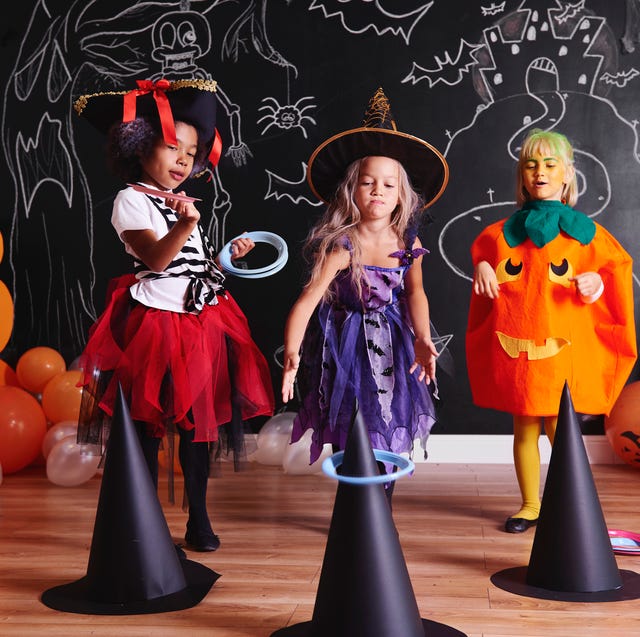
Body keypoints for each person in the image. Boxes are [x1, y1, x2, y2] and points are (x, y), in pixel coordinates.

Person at [73, 79, 275, 551]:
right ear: (139, 147)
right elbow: (158, 261)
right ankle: (142, 522)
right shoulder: (131, 200)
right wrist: (185, 225)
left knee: (197, 427)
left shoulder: (182, 203)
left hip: (202, 321)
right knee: (148, 426)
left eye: (191, 152)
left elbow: (194, 267)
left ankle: (199, 518)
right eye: (171, 147)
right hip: (155, 324)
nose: (184, 160)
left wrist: (227, 257)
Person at [281, 88, 449, 503]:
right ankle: (354, 504)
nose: (377, 191)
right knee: (350, 417)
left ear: (401, 195)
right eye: (367, 182)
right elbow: (307, 300)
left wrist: (424, 339)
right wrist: (291, 352)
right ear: (351, 191)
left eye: (388, 184)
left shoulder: (407, 242)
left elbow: (416, 293)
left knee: (388, 416)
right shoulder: (342, 246)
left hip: (392, 343)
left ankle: (382, 502)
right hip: (346, 344)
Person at [467, 128, 636, 533]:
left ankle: (567, 505)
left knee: (563, 429)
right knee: (525, 425)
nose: (539, 172)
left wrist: (595, 284)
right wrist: (484, 266)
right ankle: (530, 504)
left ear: (567, 175)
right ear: (522, 176)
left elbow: (613, 272)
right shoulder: (501, 233)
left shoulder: (586, 236)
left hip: (563, 349)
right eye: (530, 164)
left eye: (548, 164)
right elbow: (485, 256)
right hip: (520, 348)